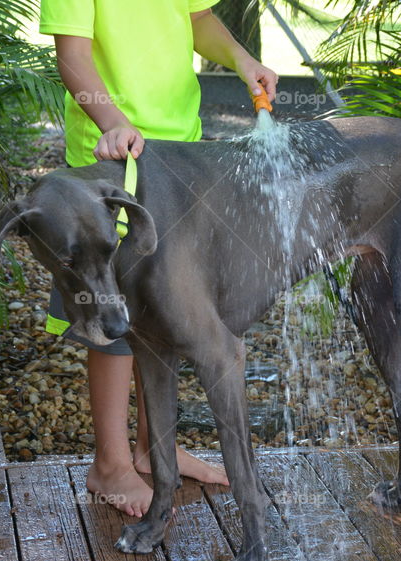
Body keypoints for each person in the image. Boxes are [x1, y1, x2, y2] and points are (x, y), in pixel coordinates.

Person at [39, 1, 278, 517]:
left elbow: (195, 20)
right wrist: (114, 122)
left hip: (178, 153)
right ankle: (110, 463)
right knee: (116, 318)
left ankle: (155, 448)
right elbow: (72, 57)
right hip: (111, 158)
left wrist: (241, 60)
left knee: (164, 303)